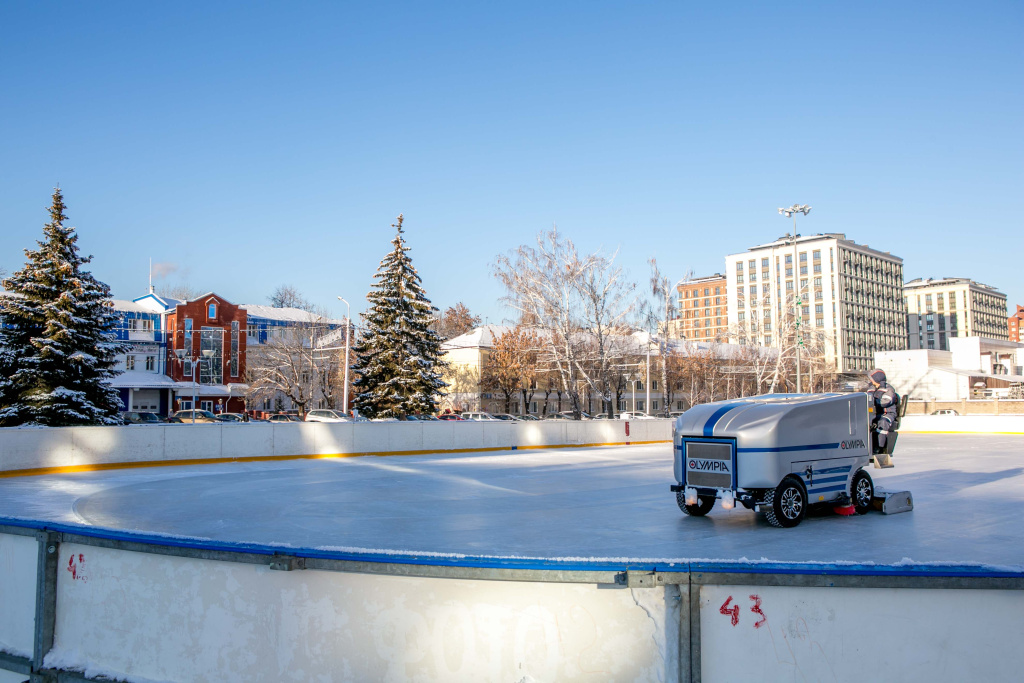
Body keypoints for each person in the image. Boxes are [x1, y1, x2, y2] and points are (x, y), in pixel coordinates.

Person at [867, 368, 899, 451]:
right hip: (874, 414)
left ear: (877, 379)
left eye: (872, 379)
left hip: (887, 414)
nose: (871, 381)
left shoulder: (889, 389)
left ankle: (879, 447)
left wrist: (873, 401)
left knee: (882, 422)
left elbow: (885, 402)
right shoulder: (871, 389)